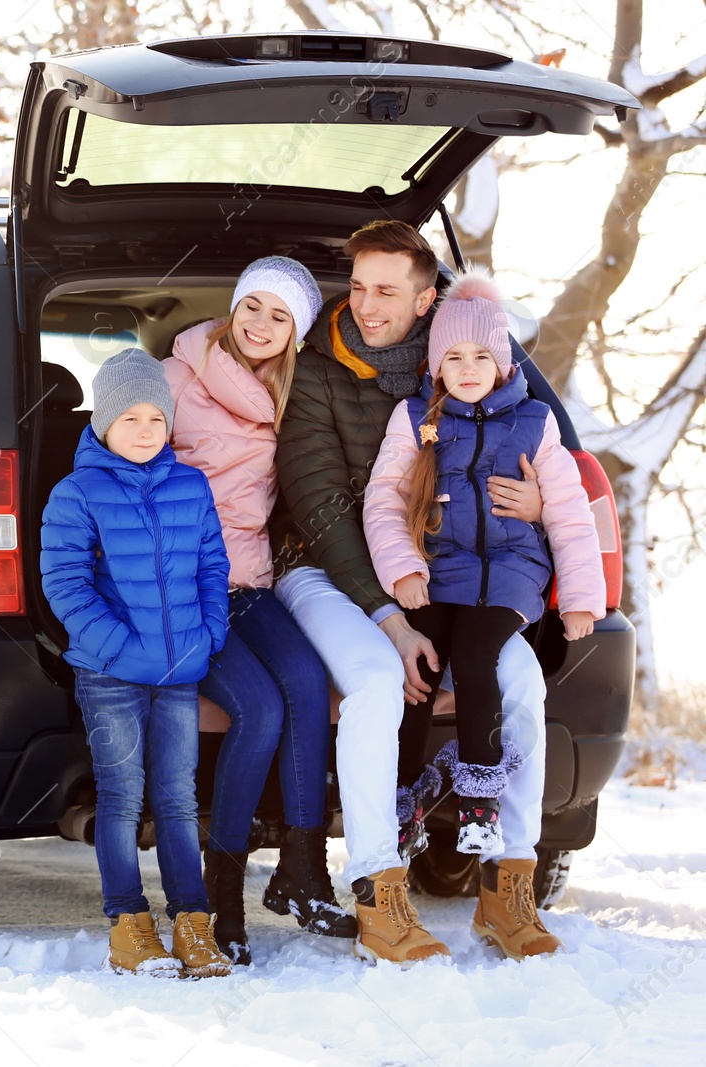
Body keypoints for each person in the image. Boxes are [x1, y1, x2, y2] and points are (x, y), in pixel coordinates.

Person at [271, 220, 555, 965]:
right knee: (375, 680)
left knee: (521, 678)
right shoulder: (317, 372)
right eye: (359, 287)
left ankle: (507, 885)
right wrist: (393, 619)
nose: (367, 305)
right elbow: (322, 507)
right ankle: (378, 887)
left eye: (387, 291)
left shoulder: (462, 362)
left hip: (446, 580)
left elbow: (539, 470)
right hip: (323, 568)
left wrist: (538, 509)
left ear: (426, 298)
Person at [361, 270, 603, 955]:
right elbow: (382, 500)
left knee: (479, 663)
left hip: (511, 583)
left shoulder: (534, 420)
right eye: (453, 359)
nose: (468, 371)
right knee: (417, 667)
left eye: (482, 358)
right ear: (435, 364)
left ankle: (482, 817)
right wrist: (405, 573)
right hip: (440, 581)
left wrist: (581, 598)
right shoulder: (417, 420)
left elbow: (568, 514)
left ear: (503, 362)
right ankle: (405, 805)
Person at [161, 256, 355, 966]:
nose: (262, 325)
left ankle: (301, 868)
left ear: (296, 333)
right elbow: (118, 463)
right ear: (234, 307)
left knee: (306, 682)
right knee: (261, 709)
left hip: (253, 583)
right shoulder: (179, 377)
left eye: (280, 316)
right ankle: (222, 890)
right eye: (253, 308)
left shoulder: (294, 392)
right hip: (183, 587)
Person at [40, 348, 233, 978]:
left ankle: (193, 925)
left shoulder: (190, 485)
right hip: (110, 674)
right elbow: (66, 584)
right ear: (102, 424)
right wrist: (121, 650)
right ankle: (129, 925)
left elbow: (212, 567)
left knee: (178, 799)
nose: (145, 430)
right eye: (131, 419)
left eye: (156, 417)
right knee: (122, 799)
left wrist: (208, 634)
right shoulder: (77, 493)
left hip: (180, 672)